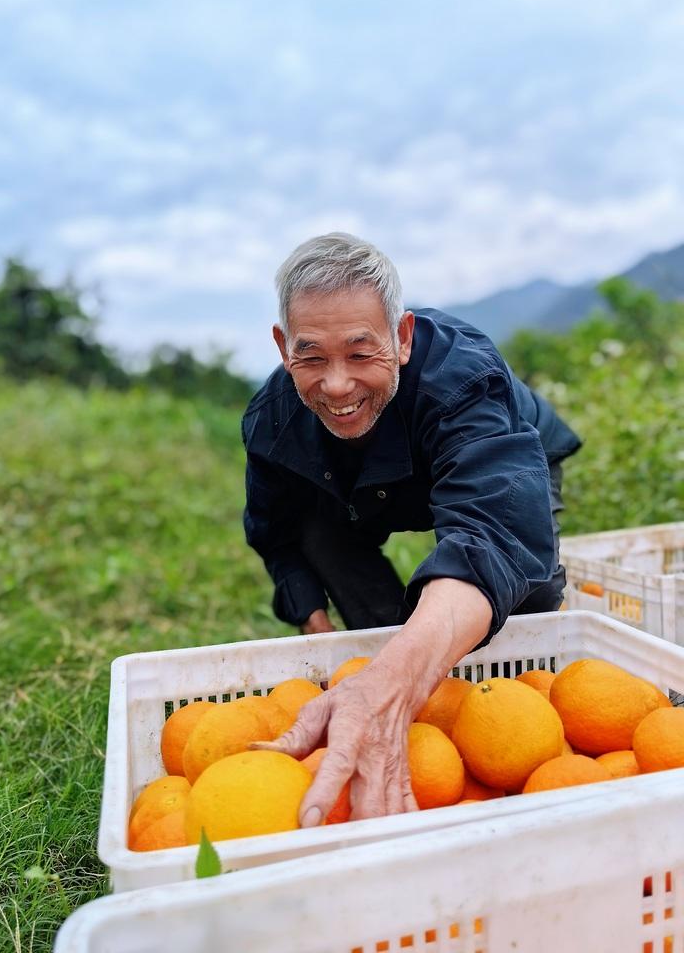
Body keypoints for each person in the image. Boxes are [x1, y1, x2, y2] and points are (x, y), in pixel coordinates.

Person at [242, 231, 581, 827]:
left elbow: (494, 530)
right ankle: (396, 690)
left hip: (503, 466)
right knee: (321, 534)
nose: (338, 384)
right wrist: (308, 610)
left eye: (360, 352)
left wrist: (398, 677)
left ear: (401, 338)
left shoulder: (463, 377)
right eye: (311, 356)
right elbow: (279, 529)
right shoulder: (273, 422)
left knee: (526, 591)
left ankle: (489, 698)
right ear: (282, 347)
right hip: (366, 485)